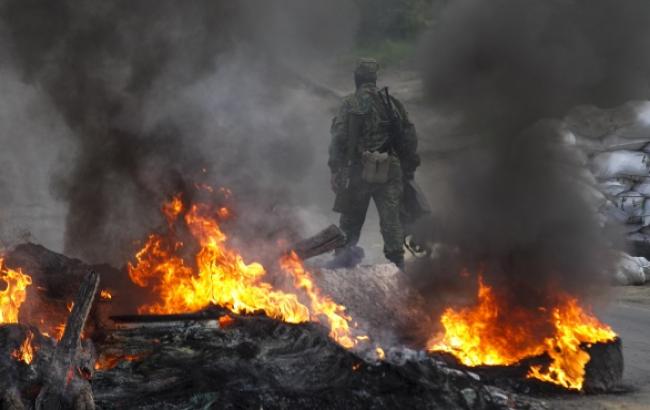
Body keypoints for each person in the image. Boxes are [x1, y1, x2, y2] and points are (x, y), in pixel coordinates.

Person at [328, 58, 420, 269]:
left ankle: (342, 261)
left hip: (359, 169)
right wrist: (408, 167)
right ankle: (397, 264)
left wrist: (335, 168)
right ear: (374, 79)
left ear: (357, 79)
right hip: (389, 166)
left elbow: (338, 138)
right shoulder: (392, 103)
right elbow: (409, 136)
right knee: (391, 219)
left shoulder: (349, 103)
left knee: (351, 220)